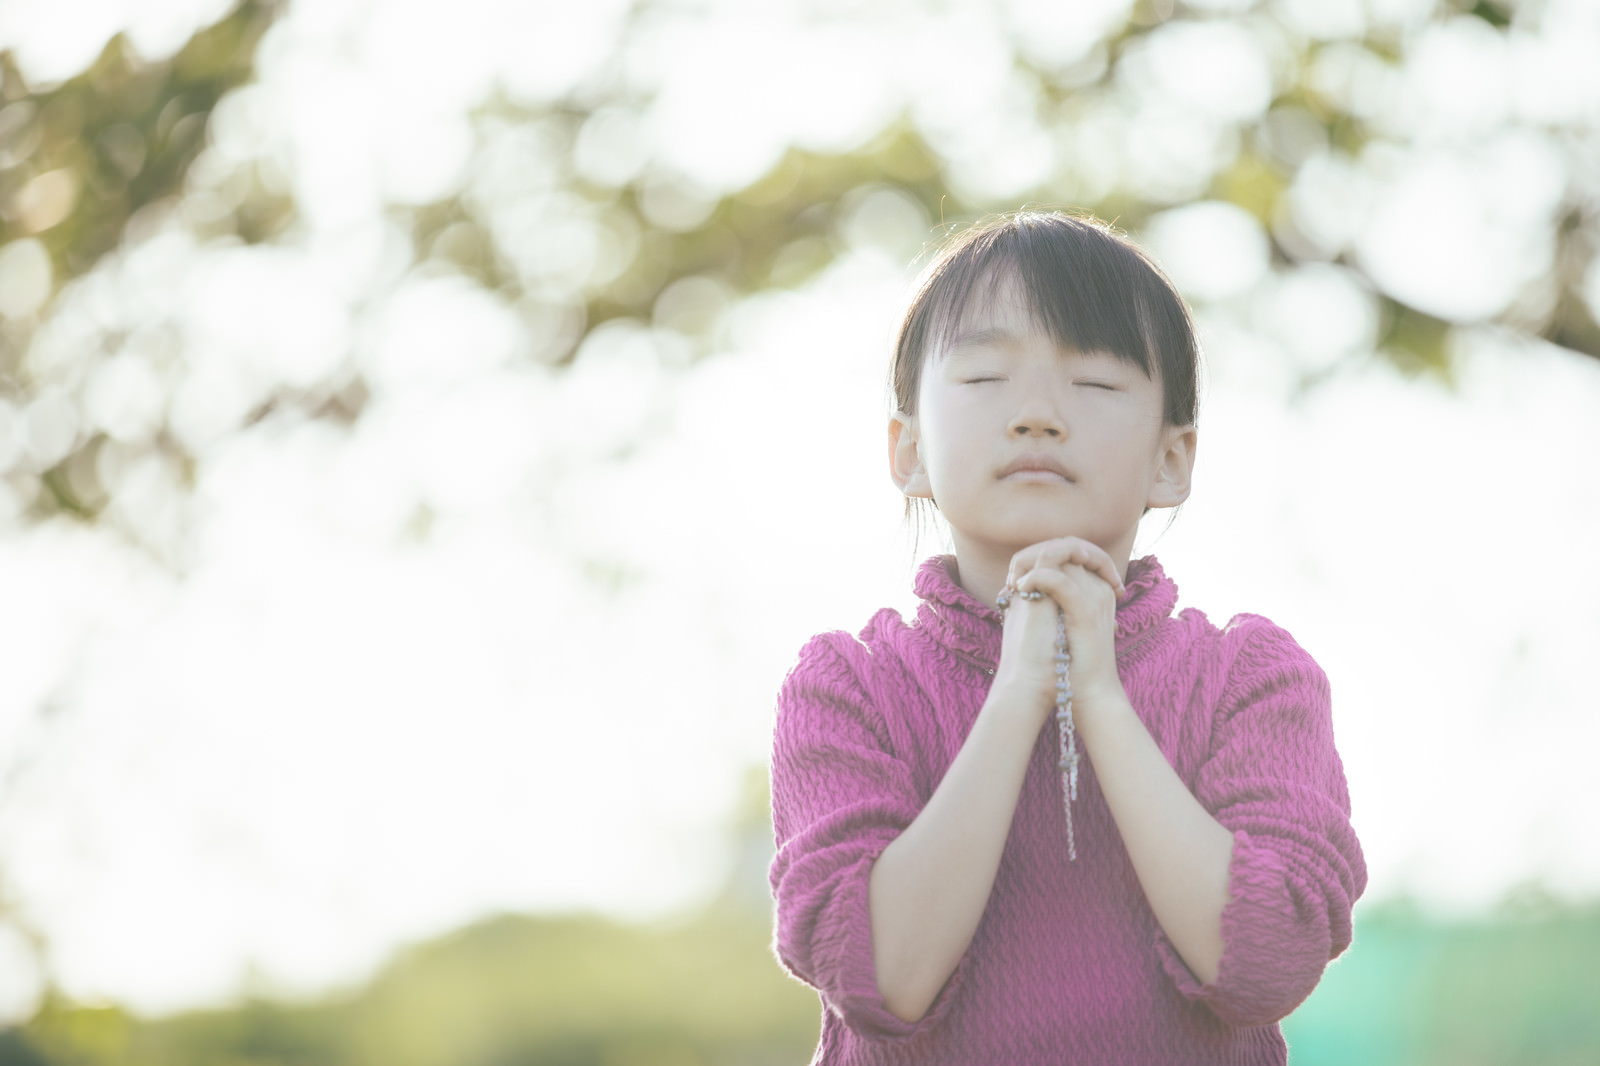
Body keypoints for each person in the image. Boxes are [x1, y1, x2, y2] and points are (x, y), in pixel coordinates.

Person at [767, 211, 1366, 1064]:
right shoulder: (847, 685)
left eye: (1094, 383)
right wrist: (1018, 692)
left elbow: (1266, 965)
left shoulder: (1250, 678)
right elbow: (882, 976)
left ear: (1172, 460)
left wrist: (1100, 696)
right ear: (908, 451)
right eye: (983, 378)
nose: (1039, 415)